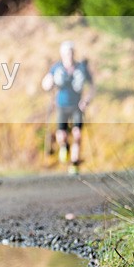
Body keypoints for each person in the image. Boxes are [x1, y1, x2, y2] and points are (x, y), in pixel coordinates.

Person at [41, 41, 94, 175]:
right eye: (66, 53)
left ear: (73, 53)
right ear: (62, 54)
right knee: (61, 135)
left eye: (71, 53)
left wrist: (86, 100)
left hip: (77, 106)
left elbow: (92, 86)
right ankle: (64, 146)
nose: (69, 56)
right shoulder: (57, 68)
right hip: (62, 106)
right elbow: (46, 83)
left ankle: (74, 163)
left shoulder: (81, 68)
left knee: (77, 134)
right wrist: (48, 84)